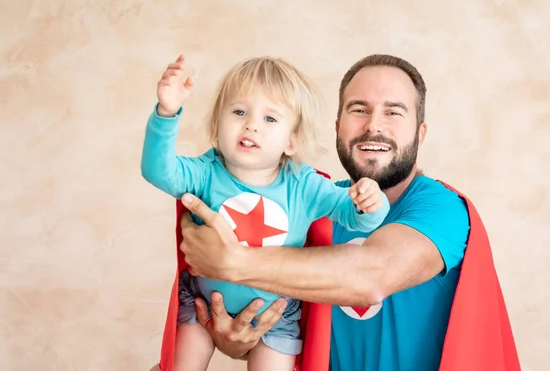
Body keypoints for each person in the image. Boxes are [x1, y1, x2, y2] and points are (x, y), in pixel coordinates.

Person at [166, 54, 520, 371]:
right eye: (358, 109)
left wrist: (233, 263)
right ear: (337, 127)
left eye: (394, 112)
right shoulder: (310, 205)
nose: (373, 125)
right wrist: (235, 336)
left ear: (420, 133)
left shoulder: (441, 208)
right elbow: (277, 324)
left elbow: (371, 276)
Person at [141, 55, 390, 371]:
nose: (251, 124)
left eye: (270, 119)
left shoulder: (304, 185)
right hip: (201, 301)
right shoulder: (204, 172)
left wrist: (371, 201)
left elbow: (356, 217)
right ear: (217, 126)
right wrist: (166, 113)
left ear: (292, 141)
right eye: (239, 111)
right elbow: (156, 170)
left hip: (276, 314)